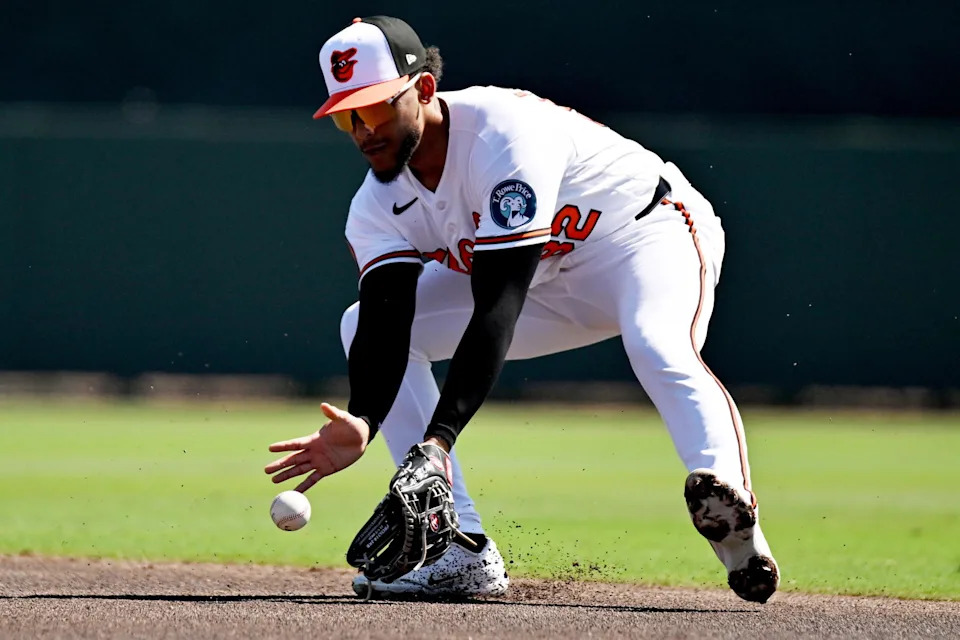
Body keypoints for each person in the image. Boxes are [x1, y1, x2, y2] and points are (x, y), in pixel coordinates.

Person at [264, 15, 780, 603]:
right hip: (546, 279)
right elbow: (386, 322)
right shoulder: (376, 206)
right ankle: (458, 550)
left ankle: (732, 514)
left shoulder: (501, 137)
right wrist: (364, 419)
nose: (363, 130)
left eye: (377, 108)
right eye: (345, 116)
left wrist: (438, 443)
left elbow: (496, 307)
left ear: (424, 91)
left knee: (656, 342)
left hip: (641, 235)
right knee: (357, 322)